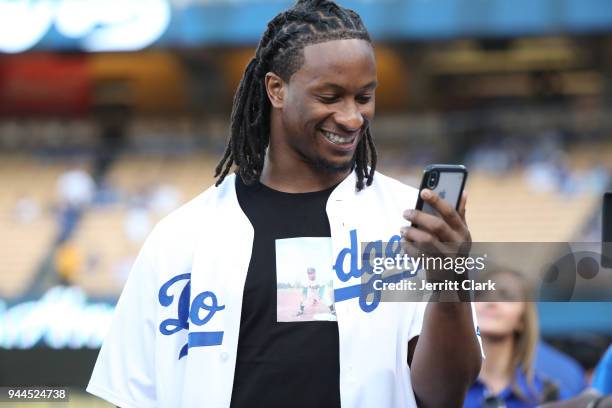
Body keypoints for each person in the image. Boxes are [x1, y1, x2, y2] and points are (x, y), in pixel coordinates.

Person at [87, 1, 482, 407]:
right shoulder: (180, 237)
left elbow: (443, 393)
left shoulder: (408, 222)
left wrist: (449, 279)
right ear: (276, 89)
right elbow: (132, 395)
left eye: (364, 97)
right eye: (330, 96)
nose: (352, 118)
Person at [464, 268, 559, 407]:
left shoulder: (546, 394)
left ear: (522, 320)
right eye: (481, 294)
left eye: (506, 296)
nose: (491, 303)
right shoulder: (443, 386)